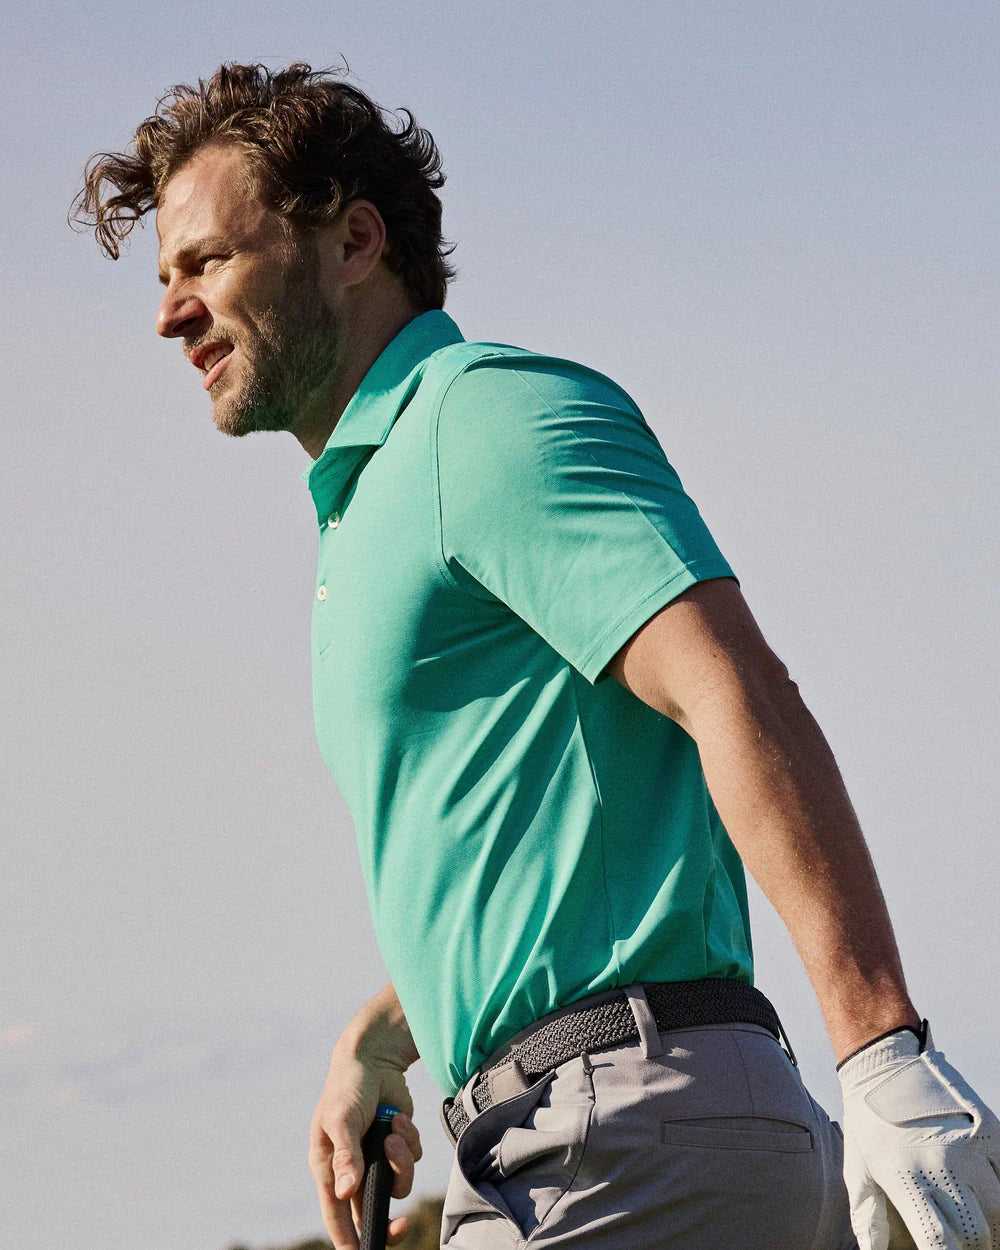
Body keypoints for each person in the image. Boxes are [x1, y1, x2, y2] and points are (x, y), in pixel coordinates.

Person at [73, 62, 1000, 1250]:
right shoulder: (370, 507)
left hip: (618, 1140)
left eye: (207, 262)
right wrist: (383, 1035)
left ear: (354, 241)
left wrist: (877, 1045)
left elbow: (733, 687)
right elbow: (553, 869)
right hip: (567, 1140)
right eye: (164, 277)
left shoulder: (482, 418)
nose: (170, 312)